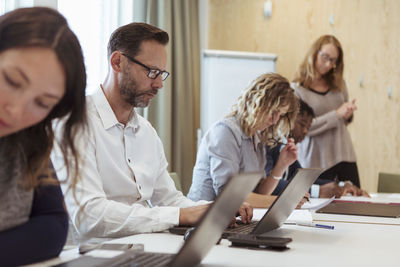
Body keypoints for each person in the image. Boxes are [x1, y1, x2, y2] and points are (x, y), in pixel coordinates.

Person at [51, 22, 252, 239]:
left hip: (145, 245)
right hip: (95, 253)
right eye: (152, 72)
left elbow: (170, 200)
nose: (159, 85)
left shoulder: (146, 132)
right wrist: (180, 215)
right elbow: (90, 217)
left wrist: (216, 207)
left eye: (161, 74)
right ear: (117, 62)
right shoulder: (74, 125)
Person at [0, 7, 87, 266]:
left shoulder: (28, 138)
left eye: (42, 103)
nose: (16, 111)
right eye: (12, 81)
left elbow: (53, 227)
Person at [188, 73, 300, 207]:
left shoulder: (256, 138)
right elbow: (229, 196)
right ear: (256, 102)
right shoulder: (225, 131)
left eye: (280, 115)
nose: (275, 120)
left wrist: (282, 165)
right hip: (202, 220)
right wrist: (285, 202)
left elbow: (260, 193)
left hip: (232, 219)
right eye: (273, 112)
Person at [292, 35, 361, 187]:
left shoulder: (339, 84)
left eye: (334, 60)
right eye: (325, 57)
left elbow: (343, 118)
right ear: (314, 53)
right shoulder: (297, 89)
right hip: (316, 159)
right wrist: (337, 114)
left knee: (355, 200)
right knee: (319, 206)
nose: (329, 64)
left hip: (344, 154)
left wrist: (347, 115)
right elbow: (303, 129)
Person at [267, 99, 368, 198]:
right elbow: (270, 184)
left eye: (308, 127)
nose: (306, 131)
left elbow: (303, 179)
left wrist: (341, 185)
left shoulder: (286, 147)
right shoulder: (271, 145)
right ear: (285, 118)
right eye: (302, 125)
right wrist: (317, 191)